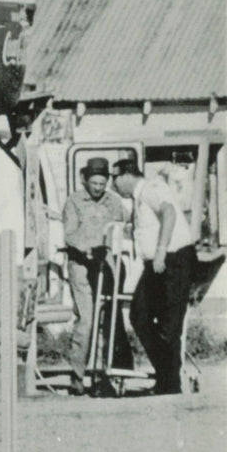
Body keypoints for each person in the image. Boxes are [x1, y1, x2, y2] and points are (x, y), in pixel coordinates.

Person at [113, 157, 198, 395]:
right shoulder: (138, 198)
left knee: (169, 325)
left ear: (126, 176)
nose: (114, 184)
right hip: (157, 264)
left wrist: (160, 251)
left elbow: (168, 212)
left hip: (174, 260)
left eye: (114, 178)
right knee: (139, 315)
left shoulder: (151, 188)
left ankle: (169, 384)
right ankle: (166, 375)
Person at [61, 157, 133, 393]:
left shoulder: (114, 202)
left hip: (107, 265)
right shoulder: (73, 202)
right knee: (87, 319)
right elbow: (69, 234)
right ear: (85, 180)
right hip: (82, 265)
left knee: (110, 320)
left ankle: (107, 374)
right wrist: (88, 249)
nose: (98, 188)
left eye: (102, 184)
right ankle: (77, 375)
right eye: (94, 184)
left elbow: (123, 226)